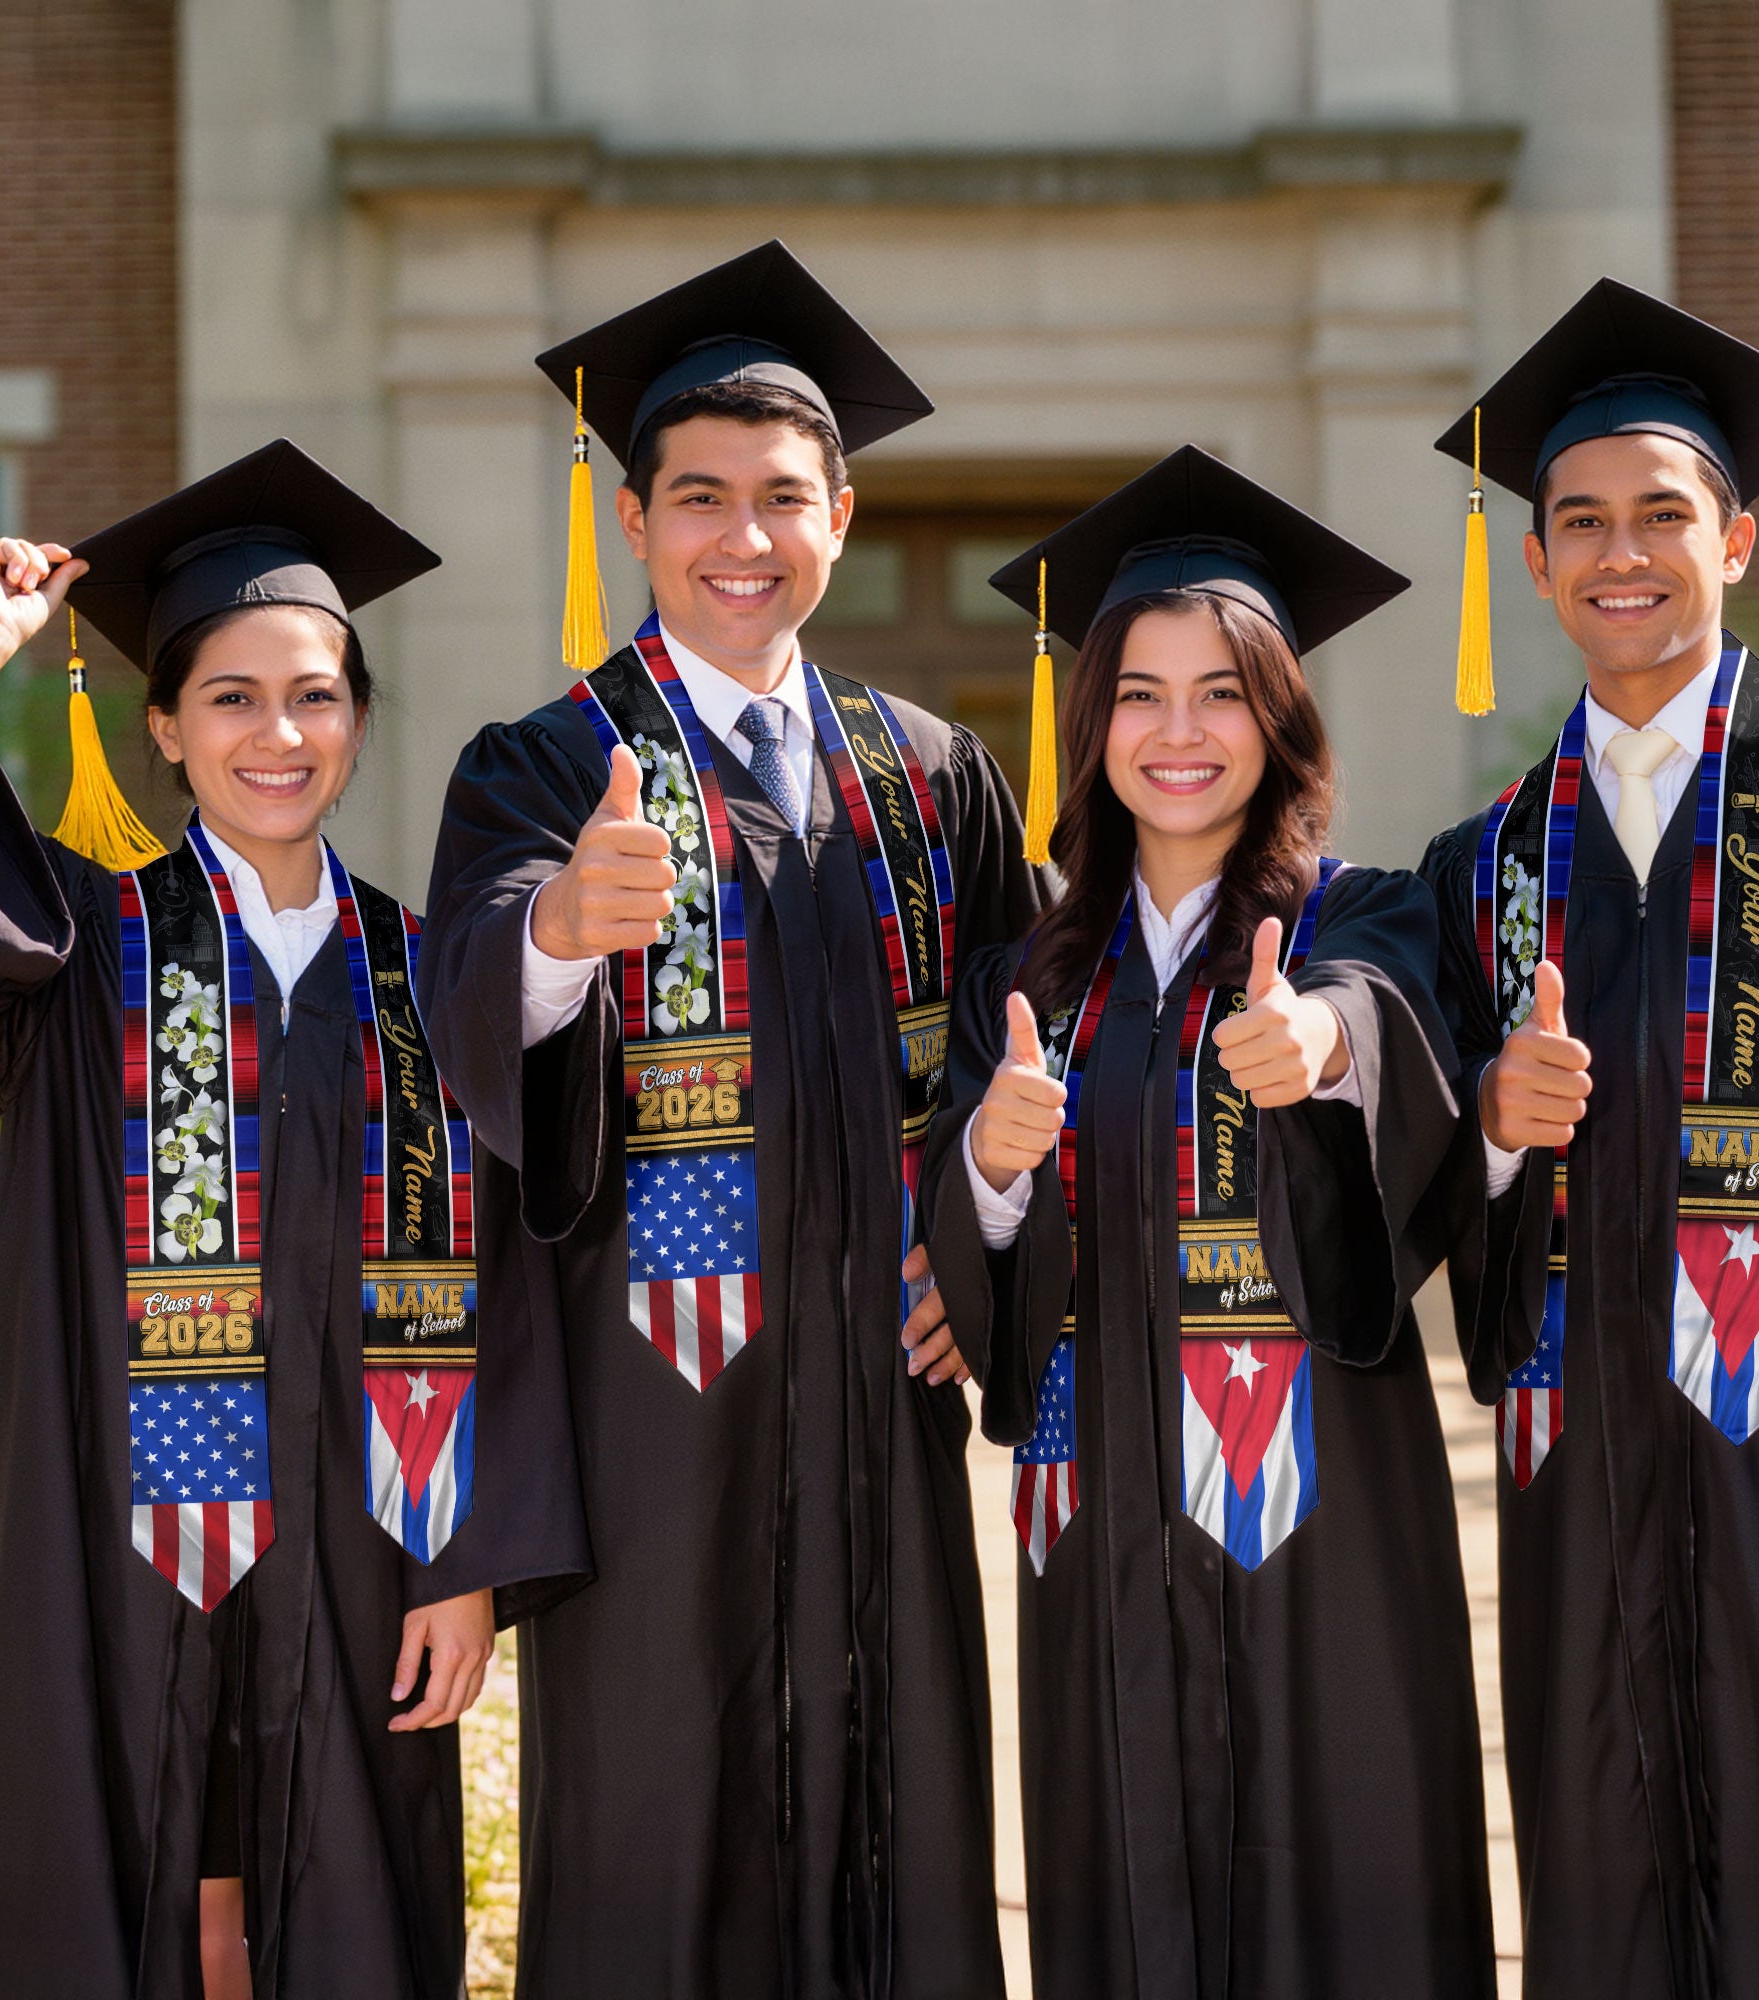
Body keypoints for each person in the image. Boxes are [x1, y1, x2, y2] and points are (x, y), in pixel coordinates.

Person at [418, 241, 1044, 1999]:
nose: (742, 538)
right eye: (700, 499)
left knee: (900, 1828)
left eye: (784, 498)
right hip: (656, 1417)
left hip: (881, 1407)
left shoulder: (931, 775)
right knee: (658, 1844)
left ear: (841, 514)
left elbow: (1033, 1045)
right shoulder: (545, 764)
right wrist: (555, 930)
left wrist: (982, 1244)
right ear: (635, 521)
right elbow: (469, 1000)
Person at [0, 440, 588, 2000]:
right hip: (116, 1534)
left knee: (346, 1897)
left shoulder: (436, 977)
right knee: (125, 1869)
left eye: (315, 694)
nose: (276, 733)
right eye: (229, 697)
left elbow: (514, 1285)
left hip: (373, 1544)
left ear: (358, 719)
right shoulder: (78, 954)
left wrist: (470, 1561)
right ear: (163, 726)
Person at [921, 446, 1495, 1999]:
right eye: (1140, 694)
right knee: (1125, 1879)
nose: (1181, 734)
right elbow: (976, 1252)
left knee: (1350, 1872)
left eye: (1224, 692)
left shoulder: (1365, 916)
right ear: (1090, 720)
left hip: (1325, 1507)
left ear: (1281, 717)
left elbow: (1390, 1029)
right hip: (1100, 1505)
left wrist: (1322, 1048)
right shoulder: (1027, 978)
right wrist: (987, 1155)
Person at [1421, 279, 1759, 1999]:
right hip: (1583, 1470)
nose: (1618, 552)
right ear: (1541, 561)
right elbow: (1421, 1183)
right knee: (1605, 1882)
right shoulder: (1484, 864)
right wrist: (1490, 1130)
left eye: (1660, 515)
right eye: (1579, 522)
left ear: (1738, 538)